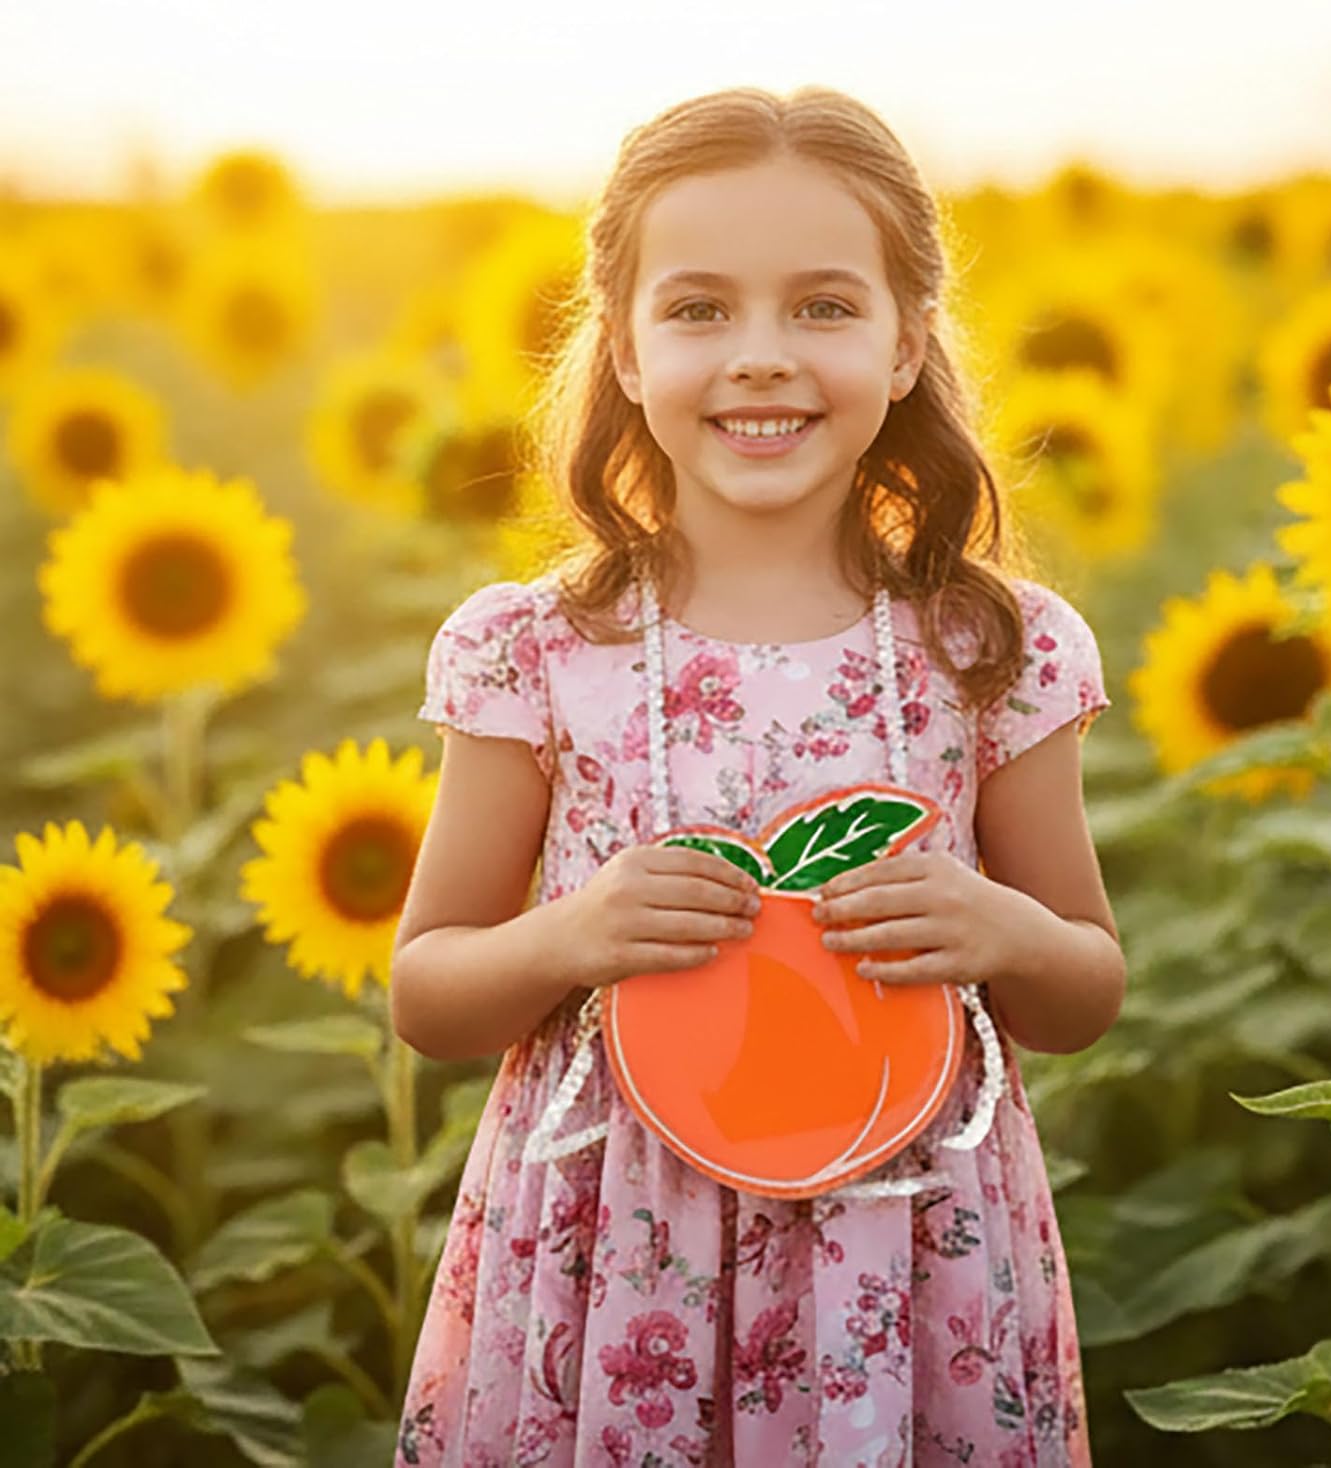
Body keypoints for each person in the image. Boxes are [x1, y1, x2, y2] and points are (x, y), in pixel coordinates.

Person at [389, 83, 1125, 1467]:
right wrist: (575, 934)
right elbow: (428, 990)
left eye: (825, 308)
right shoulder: (536, 653)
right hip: (610, 1258)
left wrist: (1003, 930)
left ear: (910, 343)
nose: (762, 356)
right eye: (700, 309)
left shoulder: (990, 651)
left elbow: (1083, 987)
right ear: (622, 344)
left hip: (910, 1256)